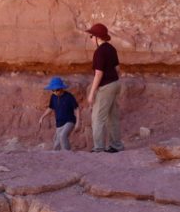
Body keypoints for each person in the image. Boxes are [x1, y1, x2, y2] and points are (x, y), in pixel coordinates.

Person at [85, 23, 124, 153]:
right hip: (115, 84)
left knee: (97, 117)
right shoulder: (112, 49)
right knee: (112, 116)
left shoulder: (99, 52)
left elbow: (98, 74)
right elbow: (118, 69)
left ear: (97, 37)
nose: (90, 38)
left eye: (91, 36)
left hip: (106, 86)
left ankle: (99, 147)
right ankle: (116, 145)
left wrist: (91, 93)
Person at [38, 77, 80, 151]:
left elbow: (77, 108)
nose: (55, 92)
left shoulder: (69, 96)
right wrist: (42, 117)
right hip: (59, 123)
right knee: (56, 146)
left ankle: (67, 154)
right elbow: (50, 108)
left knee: (62, 136)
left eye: (57, 90)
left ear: (61, 88)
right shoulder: (53, 97)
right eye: (53, 90)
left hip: (69, 121)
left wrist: (78, 122)